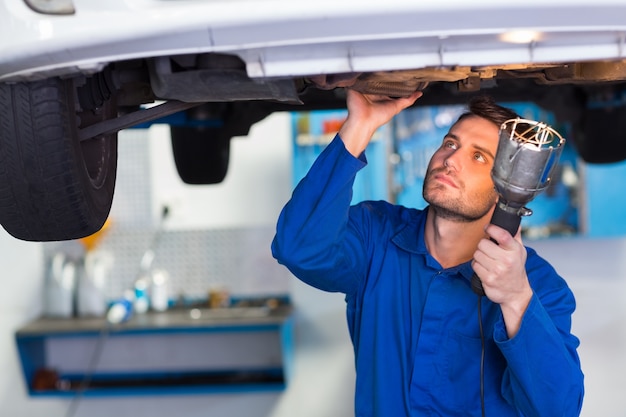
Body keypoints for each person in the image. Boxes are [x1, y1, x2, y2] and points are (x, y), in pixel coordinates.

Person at [271, 89, 584, 417]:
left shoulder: (537, 285)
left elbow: (557, 410)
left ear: (505, 189)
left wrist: (516, 300)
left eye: (478, 156)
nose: (450, 160)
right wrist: (359, 127)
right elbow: (297, 247)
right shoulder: (376, 236)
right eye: (450, 143)